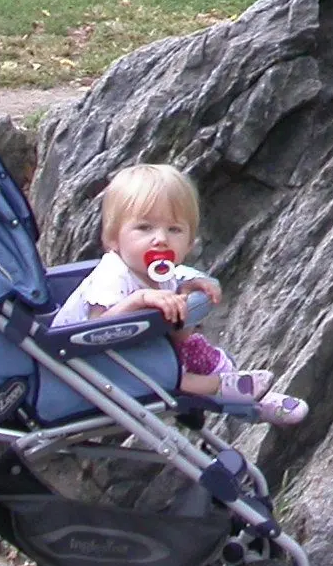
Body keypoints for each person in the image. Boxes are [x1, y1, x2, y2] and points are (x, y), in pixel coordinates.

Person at [53, 164, 307, 425]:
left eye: (174, 230)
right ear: (113, 239)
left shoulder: (164, 272)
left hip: (136, 355)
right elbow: (95, 329)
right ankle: (222, 387)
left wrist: (191, 293)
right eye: (144, 228)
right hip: (87, 366)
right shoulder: (111, 274)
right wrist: (139, 300)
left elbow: (180, 306)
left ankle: (255, 402)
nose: (161, 239)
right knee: (171, 372)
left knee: (193, 345)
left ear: (189, 242)